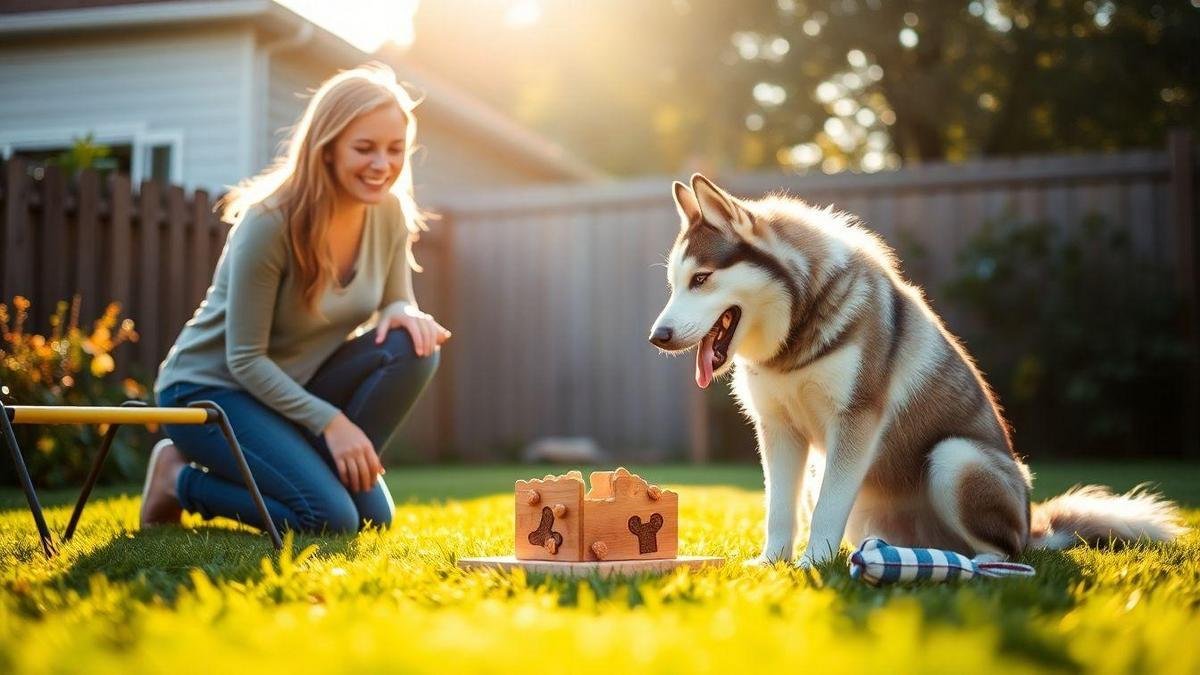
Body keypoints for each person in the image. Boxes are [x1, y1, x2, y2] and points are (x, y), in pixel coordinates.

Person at [140, 64, 449, 534]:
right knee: (331, 519)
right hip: (210, 392)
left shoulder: (387, 213)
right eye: (364, 148)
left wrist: (403, 309)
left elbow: (394, 301)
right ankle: (175, 480)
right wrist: (332, 424)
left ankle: (329, 475)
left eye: (394, 150)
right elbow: (244, 359)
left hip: (288, 393)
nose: (382, 165)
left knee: (414, 352)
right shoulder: (269, 222)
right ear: (326, 149)